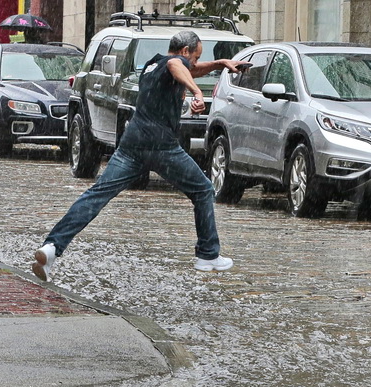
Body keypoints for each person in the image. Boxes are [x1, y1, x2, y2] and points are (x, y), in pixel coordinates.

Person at [32, 30, 247, 281]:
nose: (195, 64)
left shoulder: (152, 63)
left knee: (97, 195)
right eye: (195, 57)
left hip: (131, 144)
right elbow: (179, 66)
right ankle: (208, 255)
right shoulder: (174, 63)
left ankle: (52, 248)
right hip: (162, 146)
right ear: (185, 51)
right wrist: (198, 93)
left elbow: (187, 68)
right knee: (203, 190)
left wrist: (221, 64)